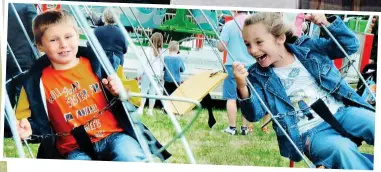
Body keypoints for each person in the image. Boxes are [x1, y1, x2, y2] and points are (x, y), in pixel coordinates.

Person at [15, 9, 170, 161]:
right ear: (40, 45)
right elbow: (31, 121)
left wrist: (119, 91)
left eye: (68, 36)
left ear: (78, 37)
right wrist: (28, 130)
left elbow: (133, 98)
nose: (63, 44)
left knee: (131, 156)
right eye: (54, 40)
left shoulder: (101, 64)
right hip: (74, 148)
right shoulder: (34, 82)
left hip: (114, 135)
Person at [235, 12, 374, 169]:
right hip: (310, 132)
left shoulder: (308, 48)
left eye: (259, 42)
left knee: (374, 122)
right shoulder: (256, 76)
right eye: (248, 44)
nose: (253, 50)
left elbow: (350, 45)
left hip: (341, 113)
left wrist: (328, 24)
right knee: (342, 150)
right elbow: (254, 115)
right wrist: (242, 86)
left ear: (280, 38)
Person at [218, 10, 270, 135]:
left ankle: (232, 127)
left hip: (233, 65)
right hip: (251, 65)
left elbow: (221, 47)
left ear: (235, 10)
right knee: (246, 97)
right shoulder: (254, 25)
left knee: (231, 97)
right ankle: (245, 128)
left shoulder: (230, 25)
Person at [136, 32, 164, 116]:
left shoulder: (147, 50)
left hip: (147, 74)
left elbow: (143, 63)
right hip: (156, 74)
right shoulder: (161, 52)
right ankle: (150, 110)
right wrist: (160, 75)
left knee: (143, 91)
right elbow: (161, 65)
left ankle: (141, 108)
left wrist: (139, 74)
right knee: (153, 92)